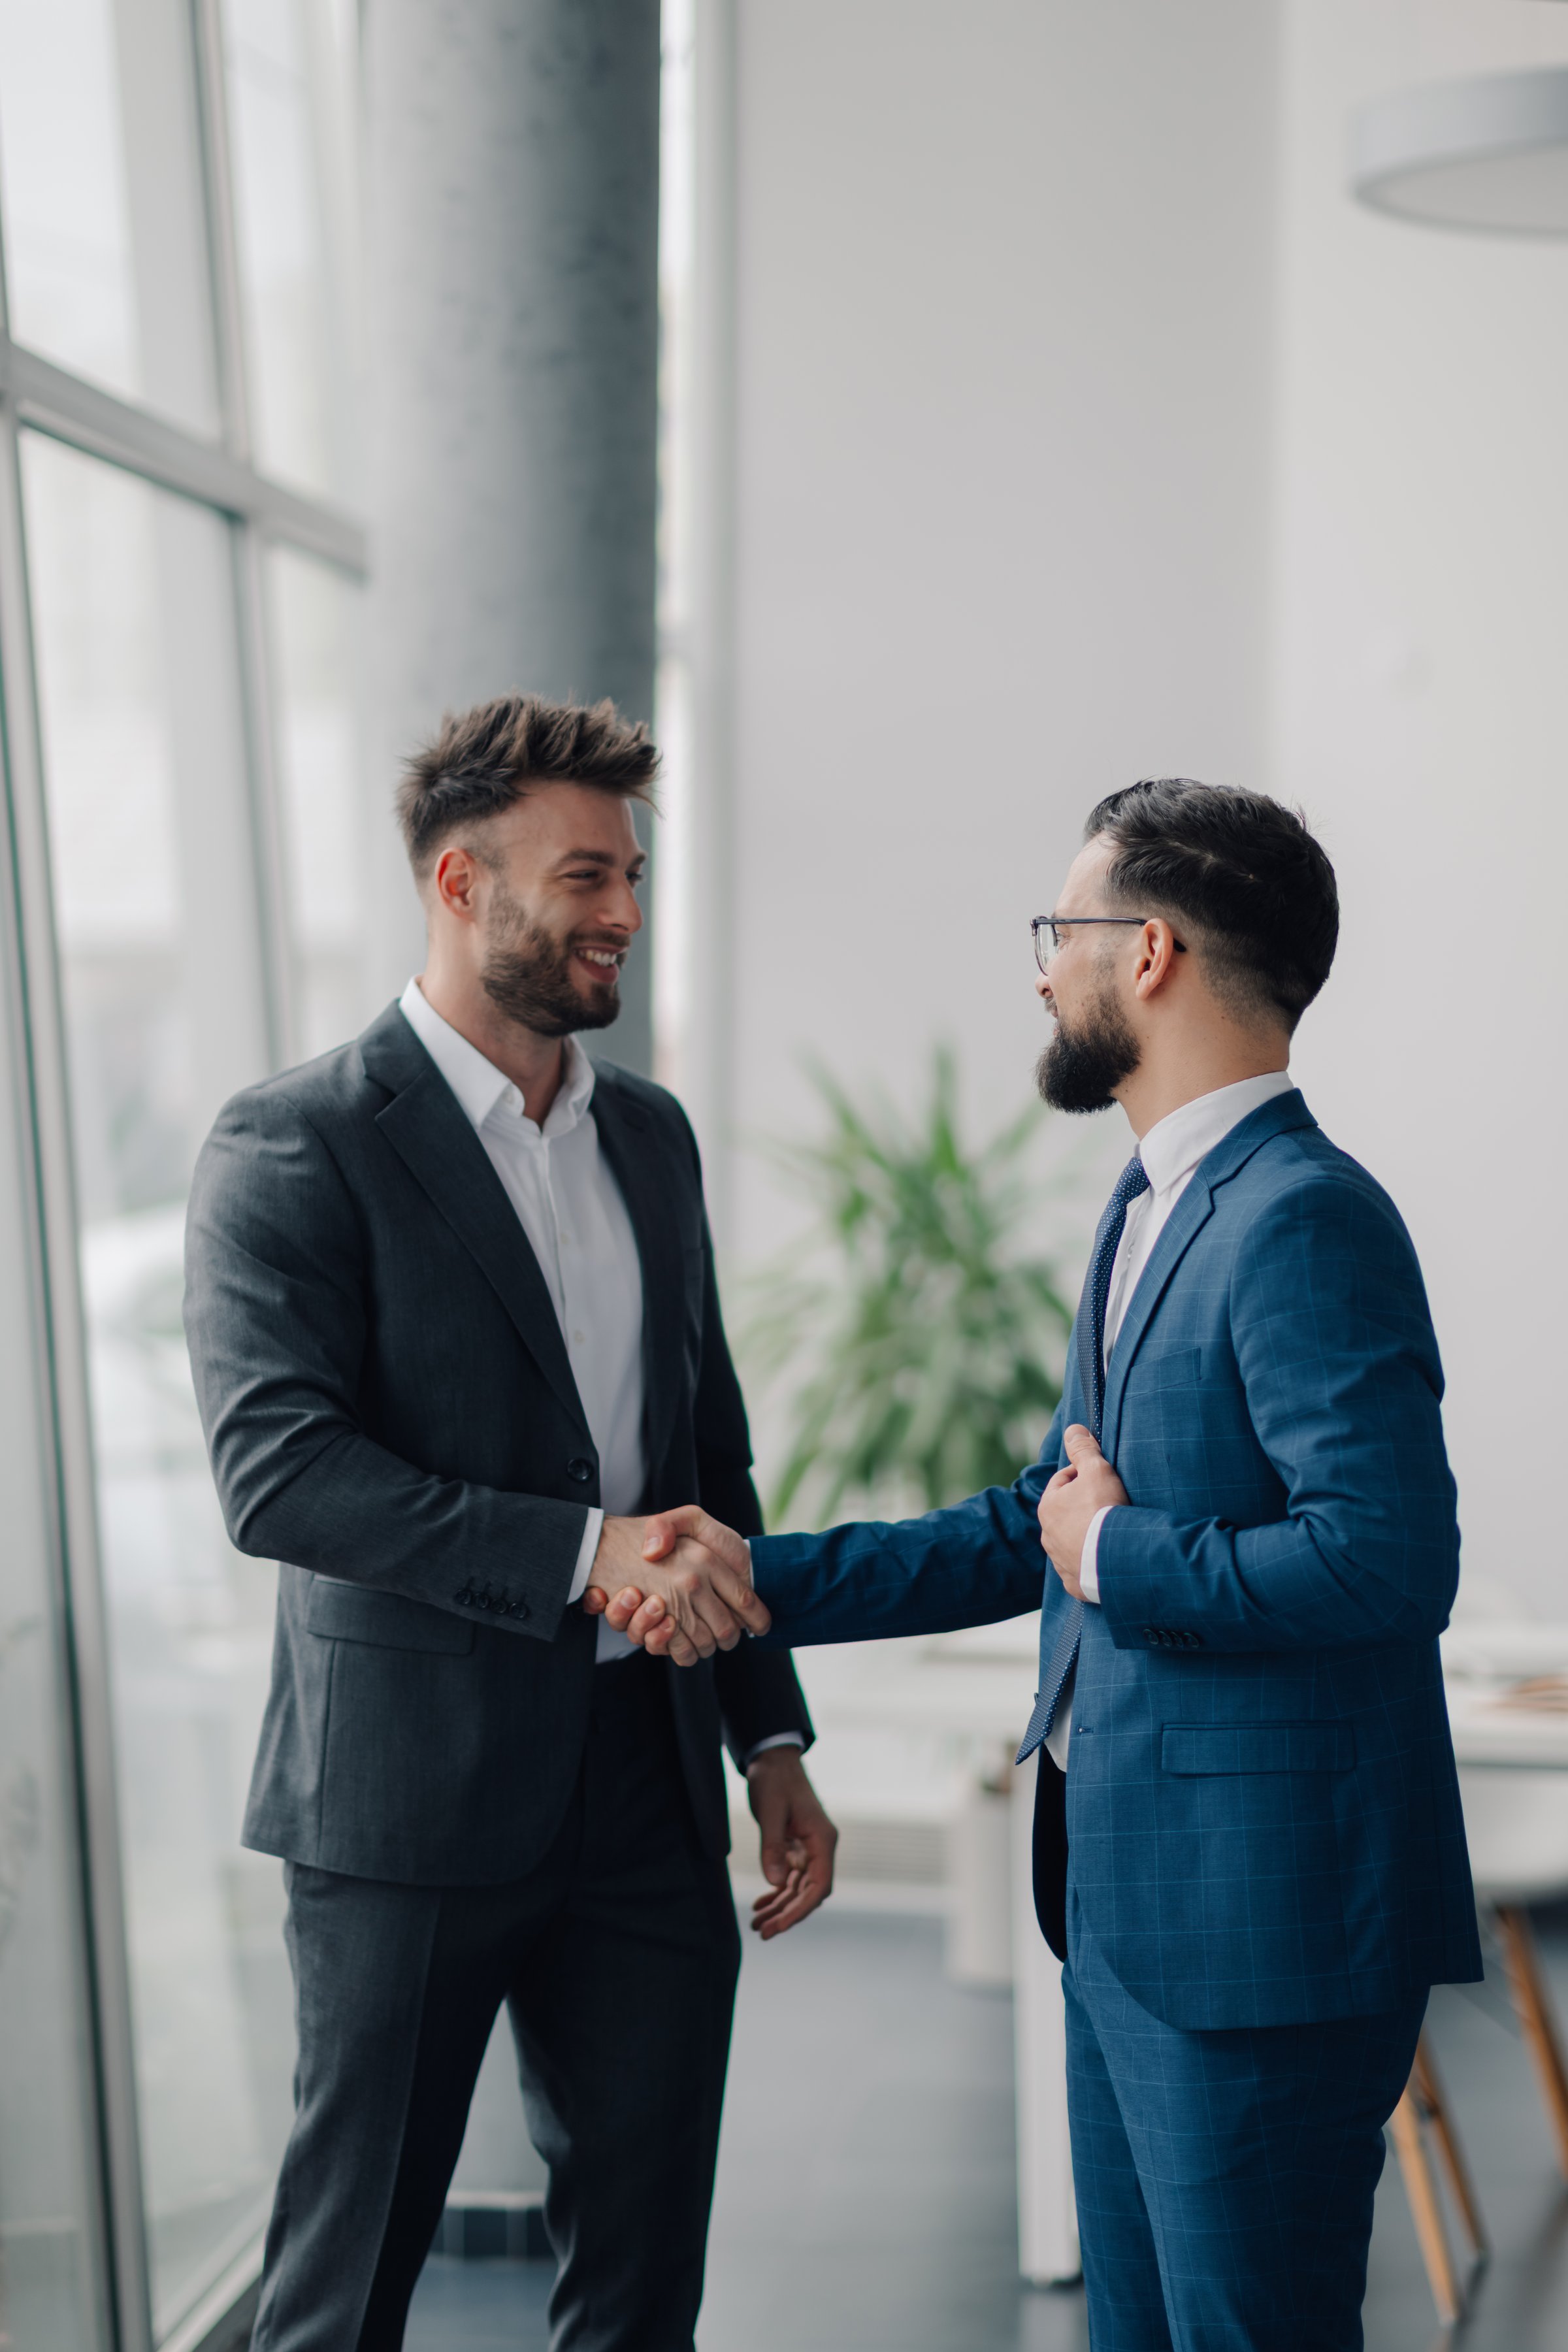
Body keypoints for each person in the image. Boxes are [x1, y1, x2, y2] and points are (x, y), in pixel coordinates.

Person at [598, 779, 1482, 2352]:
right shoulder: (1152, 1201)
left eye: (1058, 931)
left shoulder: (1303, 1220)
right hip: (1126, 1909)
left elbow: (1389, 1560)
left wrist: (1122, 1550)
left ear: (1148, 952)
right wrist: (750, 1576)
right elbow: (1035, 1524)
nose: (1039, 968)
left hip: (1260, 1941)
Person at [183, 691, 836, 2352]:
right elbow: (278, 1473)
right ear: (461, 885)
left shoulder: (654, 1138)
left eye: (631, 875)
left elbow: (709, 1453)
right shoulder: (297, 1140)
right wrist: (581, 1556)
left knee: (640, 2273)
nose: (623, 913)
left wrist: (768, 1740)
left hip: (649, 1791)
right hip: (405, 1802)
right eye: (585, 876)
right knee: (344, 2279)